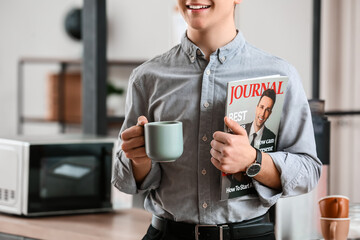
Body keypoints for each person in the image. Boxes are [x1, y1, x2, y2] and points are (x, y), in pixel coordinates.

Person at [112, 0, 322, 239]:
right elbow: (123, 181)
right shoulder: (146, 78)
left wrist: (254, 161)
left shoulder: (280, 74)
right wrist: (139, 160)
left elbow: (308, 170)